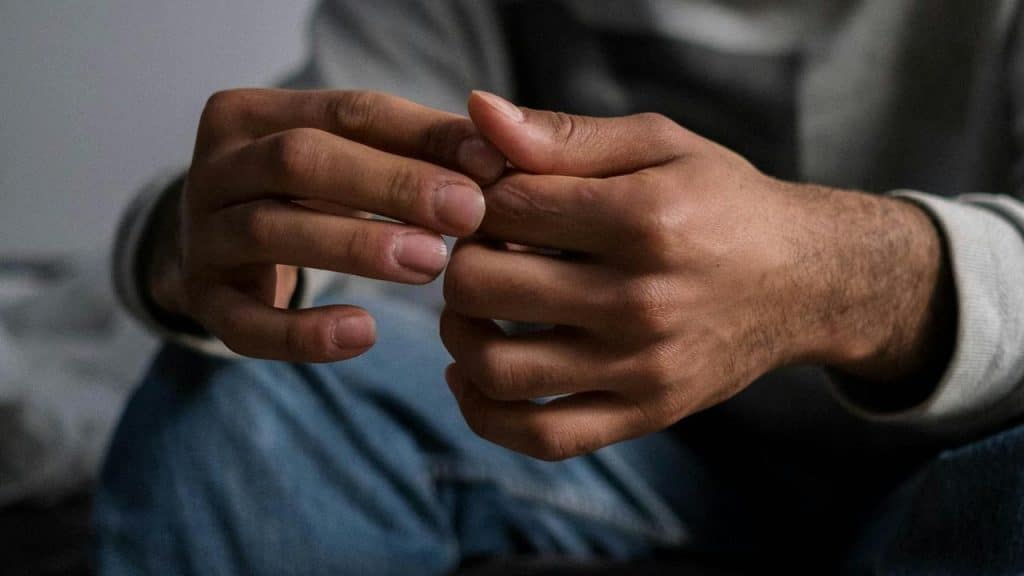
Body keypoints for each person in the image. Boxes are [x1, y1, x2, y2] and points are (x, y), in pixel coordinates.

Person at [96, 1, 1024, 574]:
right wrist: (209, 250)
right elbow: (330, 155)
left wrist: (835, 278)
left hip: (965, 460)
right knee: (242, 403)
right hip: (641, 463)